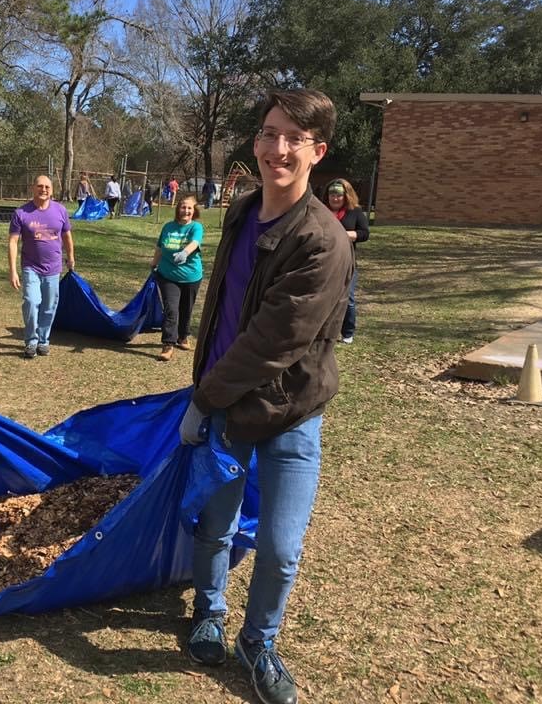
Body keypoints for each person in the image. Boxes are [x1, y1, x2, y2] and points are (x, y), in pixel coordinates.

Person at [178, 89, 352, 704]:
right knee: (216, 525)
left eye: (293, 139)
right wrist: (206, 388)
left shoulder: (325, 241)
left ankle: (259, 641)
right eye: (267, 133)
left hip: (287, 414)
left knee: (280, 547)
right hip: (226, 407)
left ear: (317, 151)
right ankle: (208, 611)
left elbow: (270, 343)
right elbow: (223, 306)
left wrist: (203, 398)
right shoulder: (241, 212)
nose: (276, 148)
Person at [8, 175, 75, 358]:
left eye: (47, 187)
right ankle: (31, 341)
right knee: (31, 301)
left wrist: (70, 257)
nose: (43, 189)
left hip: (53, 268)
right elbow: (13, 242)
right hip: (31, 267)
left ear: (52, 190)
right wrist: (13, 270)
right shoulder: (21, 213)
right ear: (33, 188)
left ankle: (43, 341)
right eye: (40, 186)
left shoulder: (60, 211)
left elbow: (67, 236)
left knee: (49, 306)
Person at [151, 195, 204, 361]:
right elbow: (160, 247)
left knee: (186, 309)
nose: (186, 211)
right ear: (177, 209)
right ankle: (168, 344)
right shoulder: (168, 227)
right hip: (168, 275)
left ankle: (183, 336)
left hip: (191, 276)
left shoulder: (196, 227)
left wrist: (185, 252)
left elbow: (195, 242)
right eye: (183, 207)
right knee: (171, 310)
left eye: (189, 208)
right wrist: (154, 263)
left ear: (194, 211)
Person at [322, 178, 369, 344]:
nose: (335, 198)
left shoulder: (355, 212)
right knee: (323, 297)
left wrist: (346, 234)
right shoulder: (321, 211)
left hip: (346, 262)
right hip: (323, 261)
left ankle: (347, 332)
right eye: (332, 194)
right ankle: (324, 330)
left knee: (347, 298)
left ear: (346, 196)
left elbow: (364, 233)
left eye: (339, 195)